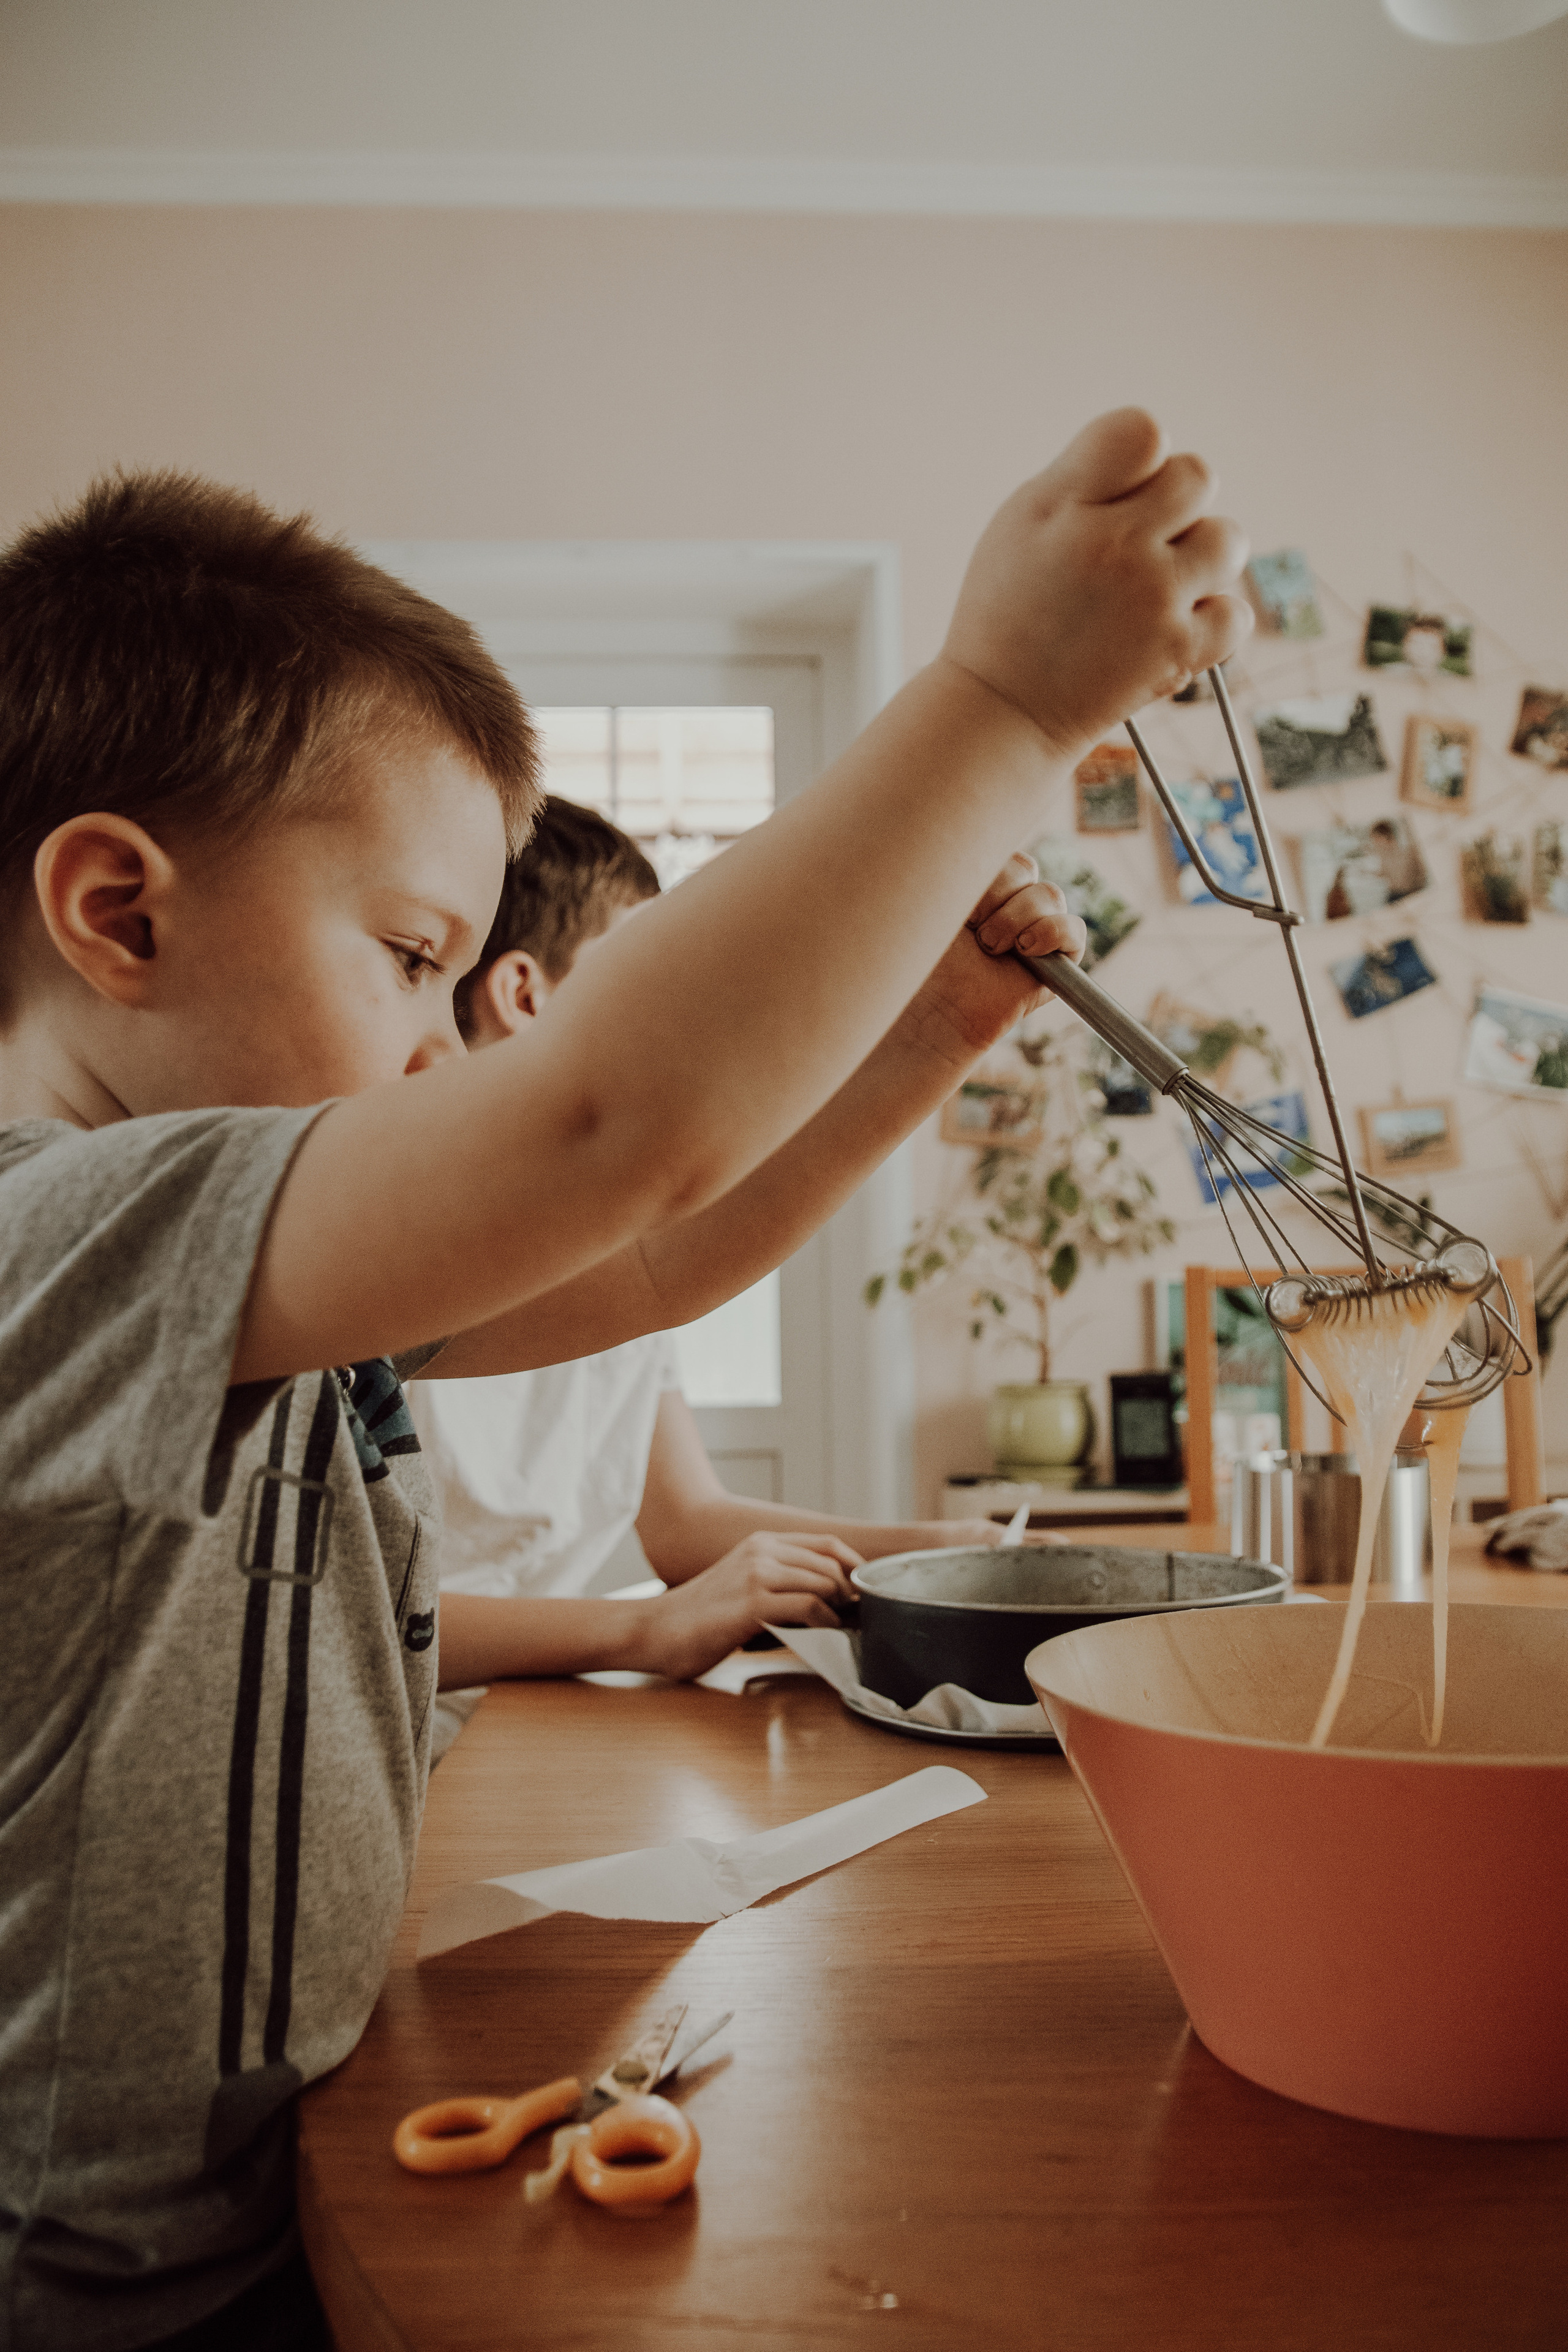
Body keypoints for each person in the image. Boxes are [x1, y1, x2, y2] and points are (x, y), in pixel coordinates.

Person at [0, 412, 1250, 2351]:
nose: (443, 1041)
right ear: (120, 914)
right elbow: (602, 1130)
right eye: (414, 956)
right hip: (84, 2281)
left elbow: (641, 1254)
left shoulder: (251, 1285)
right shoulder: (66, 1241)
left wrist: (919, 1049)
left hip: (250, 2187)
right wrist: (1003, 701)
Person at [412, 796, 1011, 1752]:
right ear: (524, 995)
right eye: (643, 968)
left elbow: (685, 1521)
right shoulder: (384, 1254)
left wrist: (946, 1557)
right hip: (424, 1736)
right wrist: (644, 1628)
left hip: (535, 1717)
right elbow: (350, 1623)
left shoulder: (602, 1236)